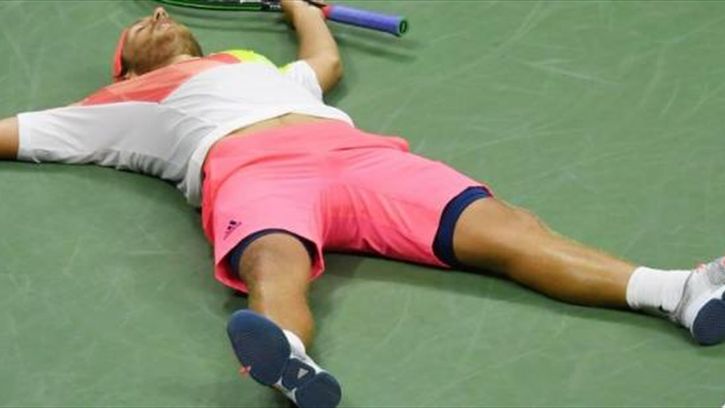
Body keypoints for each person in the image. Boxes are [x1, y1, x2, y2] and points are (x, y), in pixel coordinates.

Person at [0, 1, 723, 407]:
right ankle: (290, 359)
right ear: (126, 67)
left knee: (507, 228)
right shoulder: (112, 107)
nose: (157, 12)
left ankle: (676, 292)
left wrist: (301, 9)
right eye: (140, 25)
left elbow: (324, 62)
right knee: (272, 260)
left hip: (362, 160)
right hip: (256, 173)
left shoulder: (262, 70)